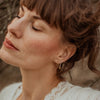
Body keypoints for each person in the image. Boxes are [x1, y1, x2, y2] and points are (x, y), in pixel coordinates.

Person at [0, 0, 100, 100]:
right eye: (19, 15)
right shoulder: (7, 93)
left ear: (63, 53)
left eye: (36, 27)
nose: (12, 27)